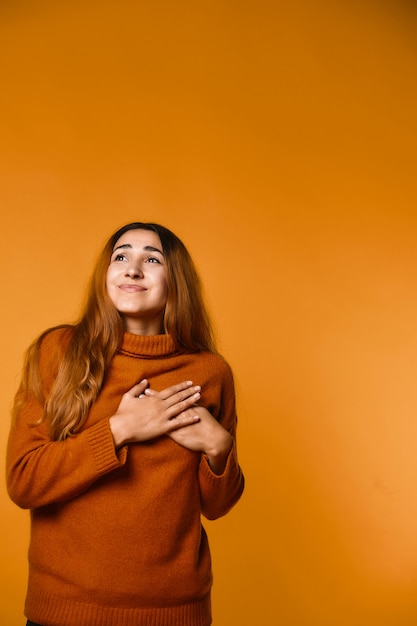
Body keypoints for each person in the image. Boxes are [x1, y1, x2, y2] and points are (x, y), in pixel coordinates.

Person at [6, 221, 244, 626]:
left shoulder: (209, 372)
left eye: (152, 259)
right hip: (65, 611)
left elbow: (216, 507)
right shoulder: (58, 353)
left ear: (176, 282)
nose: (132, 269)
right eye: (121, 256)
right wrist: (119, 431)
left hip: (174, 612)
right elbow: (24, 480)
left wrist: (220, 449)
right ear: (107, 275)